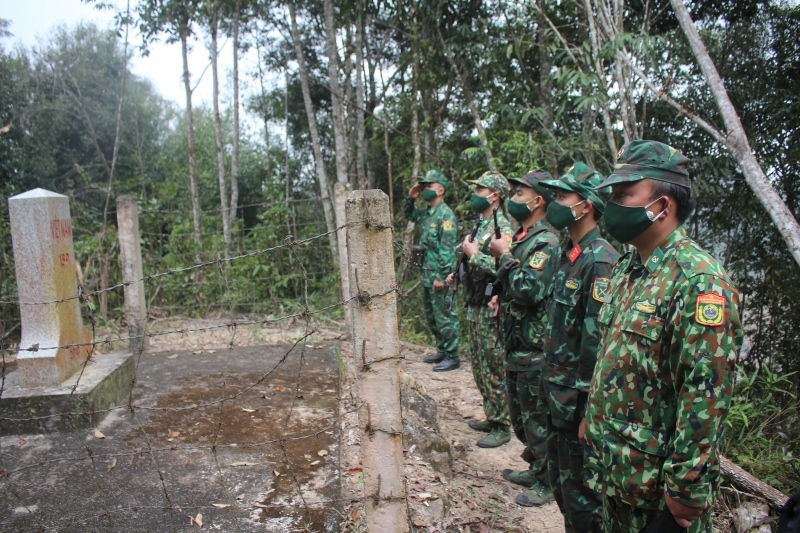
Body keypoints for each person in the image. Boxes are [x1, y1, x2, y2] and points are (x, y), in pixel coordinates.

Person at [580, 140, 743, 533]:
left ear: (663, 206)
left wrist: (684, 492)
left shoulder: (698, 281)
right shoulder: (627, 268)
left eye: (625, 194)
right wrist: (591, 415)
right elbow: (613, 355)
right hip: (617, 470)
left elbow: (706, 393)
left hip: (657, 489)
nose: (614, 205)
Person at [537, 163, 619, 532]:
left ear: (585, 206)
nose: (554, 203)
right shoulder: (571, 253)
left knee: (584, 502)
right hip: (557, 397)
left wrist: (589, 412)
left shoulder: (600, 261)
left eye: (562, 196)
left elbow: (597, 345)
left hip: (577, 408)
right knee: (563, 490)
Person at [488, 169, 559, 507]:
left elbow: (531, 289)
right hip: (516, 344)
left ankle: (547, 481)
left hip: (535, 348)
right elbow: (516, 285)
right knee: (521, 419)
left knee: (537, 420)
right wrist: (499, 294)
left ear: (537, 200)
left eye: (519, 193)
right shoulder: (523, 236)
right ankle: (535, 467)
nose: (513, 199)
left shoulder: (546, 241)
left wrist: (503, 256)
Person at [447, 170, 514, 448]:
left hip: (490, 307)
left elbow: (503, 269)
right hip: (474, 306)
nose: (474, 195)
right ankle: (492, 414)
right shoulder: (481, 224)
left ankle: (502, 424)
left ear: (494, 196)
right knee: (478, 366)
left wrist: (474, 255)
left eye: (479, 190)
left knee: (493, 367)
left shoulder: (504, 230)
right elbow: (469, 258)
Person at [403, 169, 461, 372]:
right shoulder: (427, 213)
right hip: (426, 274)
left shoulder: (446, 216)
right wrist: (411, 198)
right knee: (432, 317)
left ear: (441, 189)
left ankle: (453, 356)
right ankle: (443, 350)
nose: (426, 189)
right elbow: (408, 214)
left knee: (445, 315)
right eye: (424, 186)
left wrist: (442, 278)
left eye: (429, 186)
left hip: (439, 276)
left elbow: (447, 251)